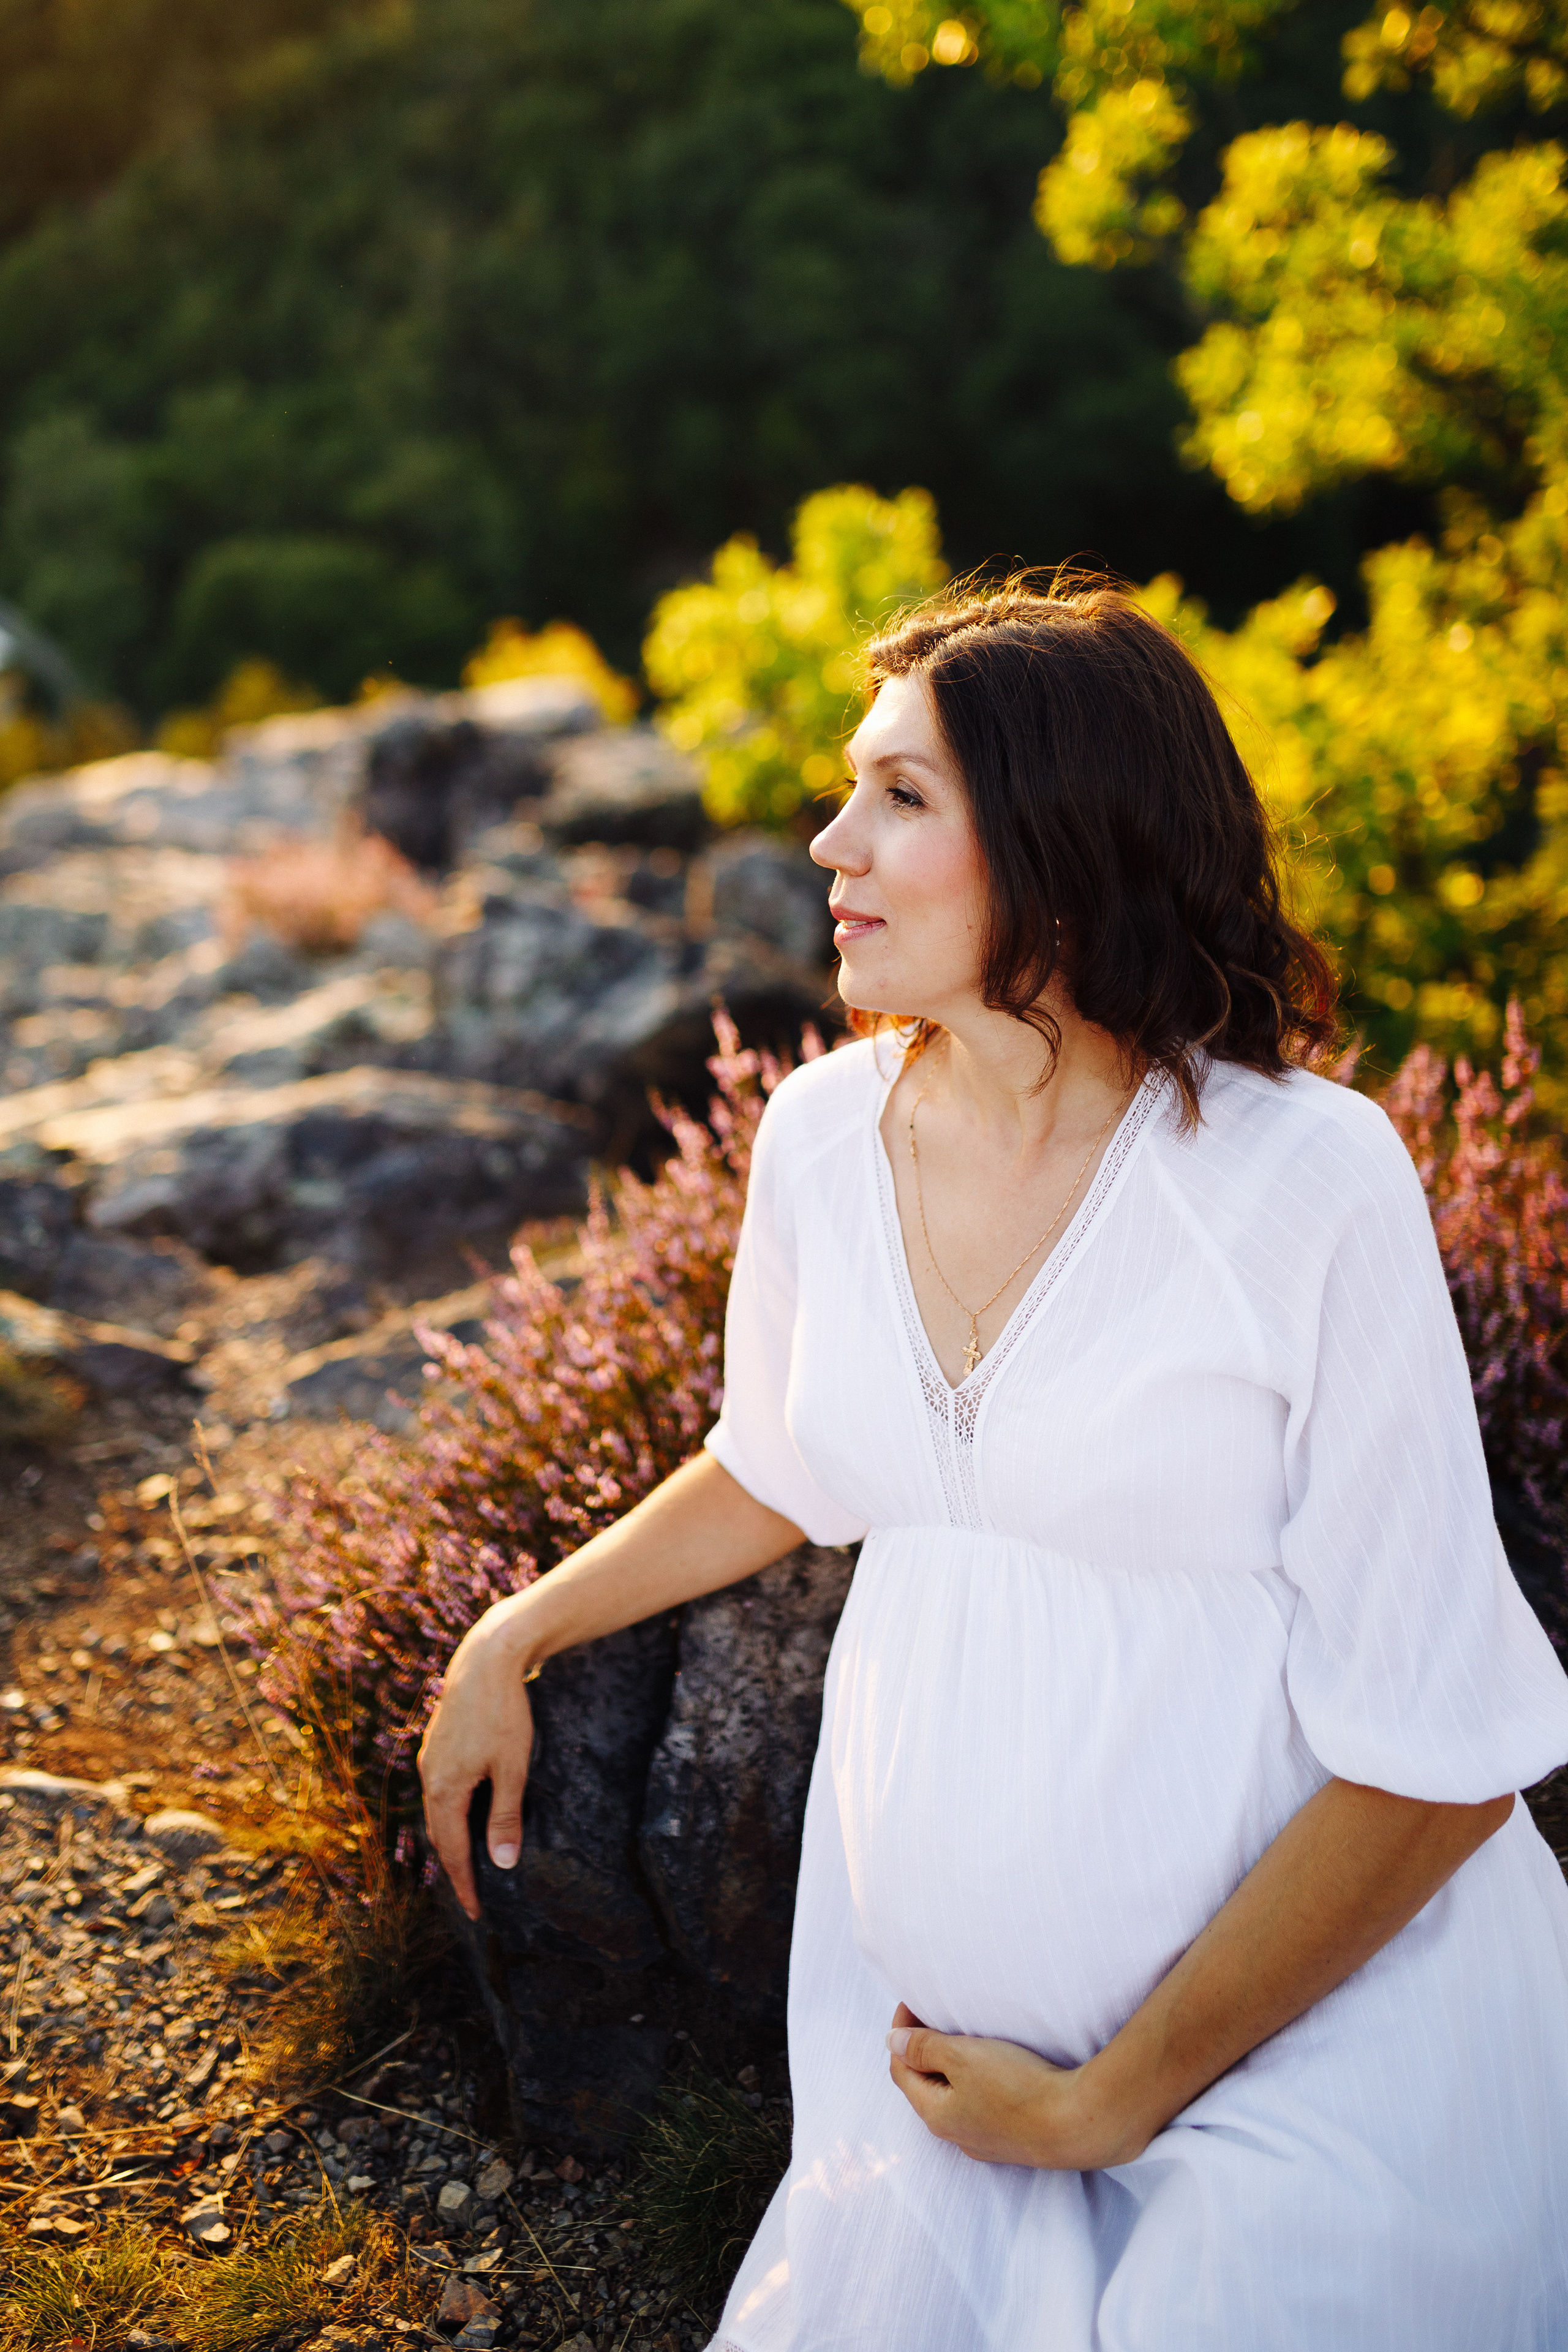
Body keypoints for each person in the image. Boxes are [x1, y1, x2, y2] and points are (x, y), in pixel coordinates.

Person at [418, 584, 1568, 2351]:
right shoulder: (816, 1136)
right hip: (937, 2095)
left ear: (1061, 838)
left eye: (899, 797)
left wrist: (1108, 2100)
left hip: (1318, 2061)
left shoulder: (1305, 1183)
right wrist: (517, 1631)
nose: (827, 841)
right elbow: (784, 1461)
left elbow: (1441, 1763)